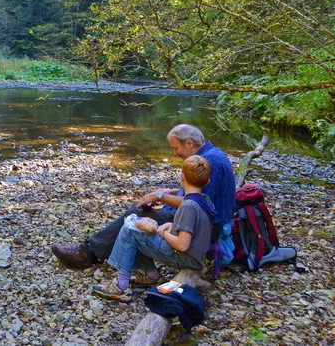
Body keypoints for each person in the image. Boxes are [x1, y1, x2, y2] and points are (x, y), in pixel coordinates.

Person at [51, 124, 235, 269]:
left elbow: (197, 205)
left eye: (175, 148)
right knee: (145, 211)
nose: (174, 153)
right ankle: (101, 249)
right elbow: (198, 192)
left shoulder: (210, 161)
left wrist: (160, 196)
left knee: (136, 215)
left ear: (189, 143)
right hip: (199, 220)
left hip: (204, 228)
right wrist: (172, 191)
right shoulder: (210, 155)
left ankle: (88, 253)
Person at [91, 155, 215, 302]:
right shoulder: (204, 200)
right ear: (207, 181)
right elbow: (194, 229)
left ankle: (120, 285)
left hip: (185, 258)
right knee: (141, 228)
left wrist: (164, 234)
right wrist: (171, 226)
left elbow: (182, 245)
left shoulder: (188, 205)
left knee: (129, 230)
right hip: (196, 256)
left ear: (182, 178)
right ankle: (151, 275)